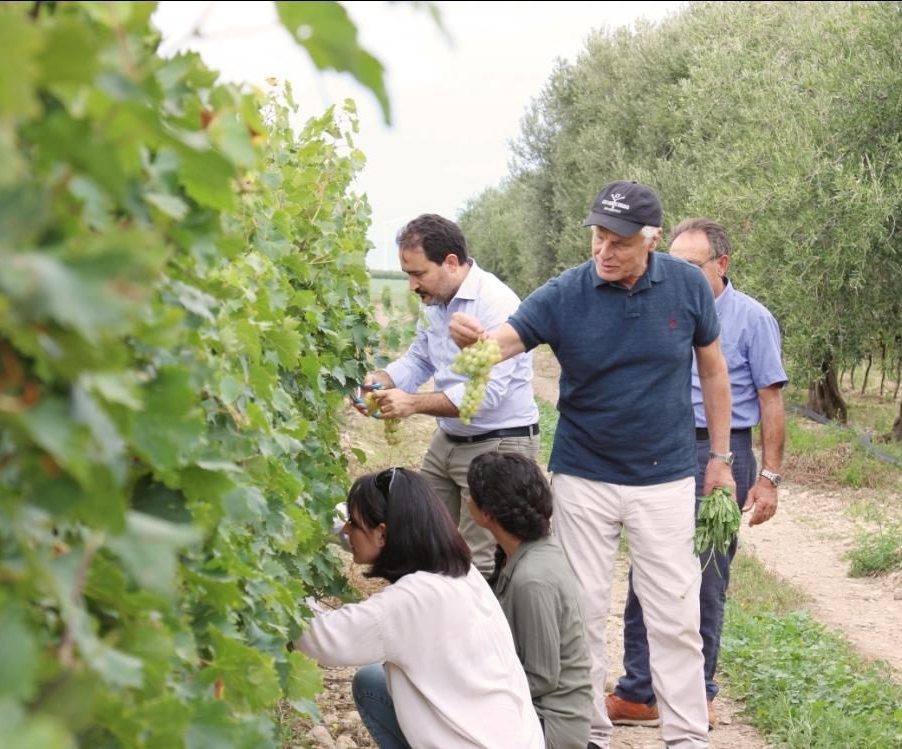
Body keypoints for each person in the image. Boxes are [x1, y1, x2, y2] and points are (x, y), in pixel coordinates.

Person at [450, 180, 736, 749]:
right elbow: (507, 340)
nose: (604, 251)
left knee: (675, 616)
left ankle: (687, 737)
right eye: (598, 238)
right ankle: (590, 736)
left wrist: (722, 458)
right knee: (579, 612)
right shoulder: (567, 293)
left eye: (619, 242)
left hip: (667, 476)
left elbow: (713, 371)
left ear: (651, 239)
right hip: (584, 476)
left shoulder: (685, 286)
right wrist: (476, 342)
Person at [607, 218, 788, 729]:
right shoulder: (662, 309)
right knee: (646, 569)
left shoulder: (752, 319)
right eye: (673, 263)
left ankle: (698, 693)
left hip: (721, 451)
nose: (676, 274)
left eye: (691, 265)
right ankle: (639, 693)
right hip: (657, 449)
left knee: (706, 575)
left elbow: (772, 400)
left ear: (721, 265)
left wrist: (769, 477)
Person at [297, 467, 545, 749]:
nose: (346, 530)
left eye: (352, 523)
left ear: (382, 534)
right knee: (372, 682)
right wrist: (309, 518)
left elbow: (321, 638)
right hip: (515, 739)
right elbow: (358, 535)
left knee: (372, 680)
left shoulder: (413, 600)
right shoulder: (459, 571)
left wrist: (281, 581)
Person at [357, 214, 540, 576]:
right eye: (408, 274)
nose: (412, 285)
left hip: (498, 444)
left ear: (451, 262)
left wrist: (412, 404)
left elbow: (487, 395)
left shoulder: (496, 303)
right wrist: (380, 380)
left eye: (418, 274)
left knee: (478, 559)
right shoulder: (436, 303)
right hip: (450, 438)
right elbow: (420, 359)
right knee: (422, 537)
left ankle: (481, 631)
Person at [467, 451, 593, 749]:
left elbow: (541, 677)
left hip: (547, 724)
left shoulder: (531, 580)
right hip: (531, 713)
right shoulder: (527, 552)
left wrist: (465, 685)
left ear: (487, 515)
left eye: (471, 495)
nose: (466, 500)